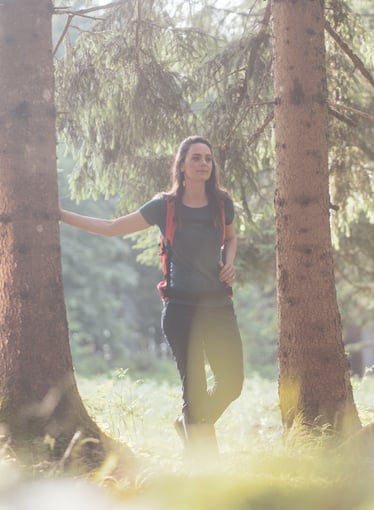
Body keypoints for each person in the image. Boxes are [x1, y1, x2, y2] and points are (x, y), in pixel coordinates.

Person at [60, 135, 244, 456]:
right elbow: (112, 226)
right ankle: (204, 466)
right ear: (182, 166)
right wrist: (61, 214)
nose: (203, 164)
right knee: (195, 388)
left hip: (217, 303)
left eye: (207, 158)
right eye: (196, 158)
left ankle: (188, 425)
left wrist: (228, 263)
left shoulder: (222, 203)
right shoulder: (164, 206)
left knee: (232, 382)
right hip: (180, 306)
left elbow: (230, 237)